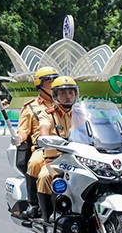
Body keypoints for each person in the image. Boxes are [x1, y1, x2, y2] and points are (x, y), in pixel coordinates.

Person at [34, 76, 78, 222]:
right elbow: (44, 128)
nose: (68, 96)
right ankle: (47, 219)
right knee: (44, 176)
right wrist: (45, 139)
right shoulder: (48, 114)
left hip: (79, 160)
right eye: (63, 93)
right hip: (56, 160)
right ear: (55, 95)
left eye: (71, 93)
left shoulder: (83, 114)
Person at [17, 66, 60, 218]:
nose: (54, 83)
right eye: (50, 81)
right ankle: (33, 204)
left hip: (68, 148)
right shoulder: (31, 107)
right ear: (40, 84)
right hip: (42, 148)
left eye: (55, 79)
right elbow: (23, 130)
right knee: (35, 164)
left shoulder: (65, 101)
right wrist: (19, 137)